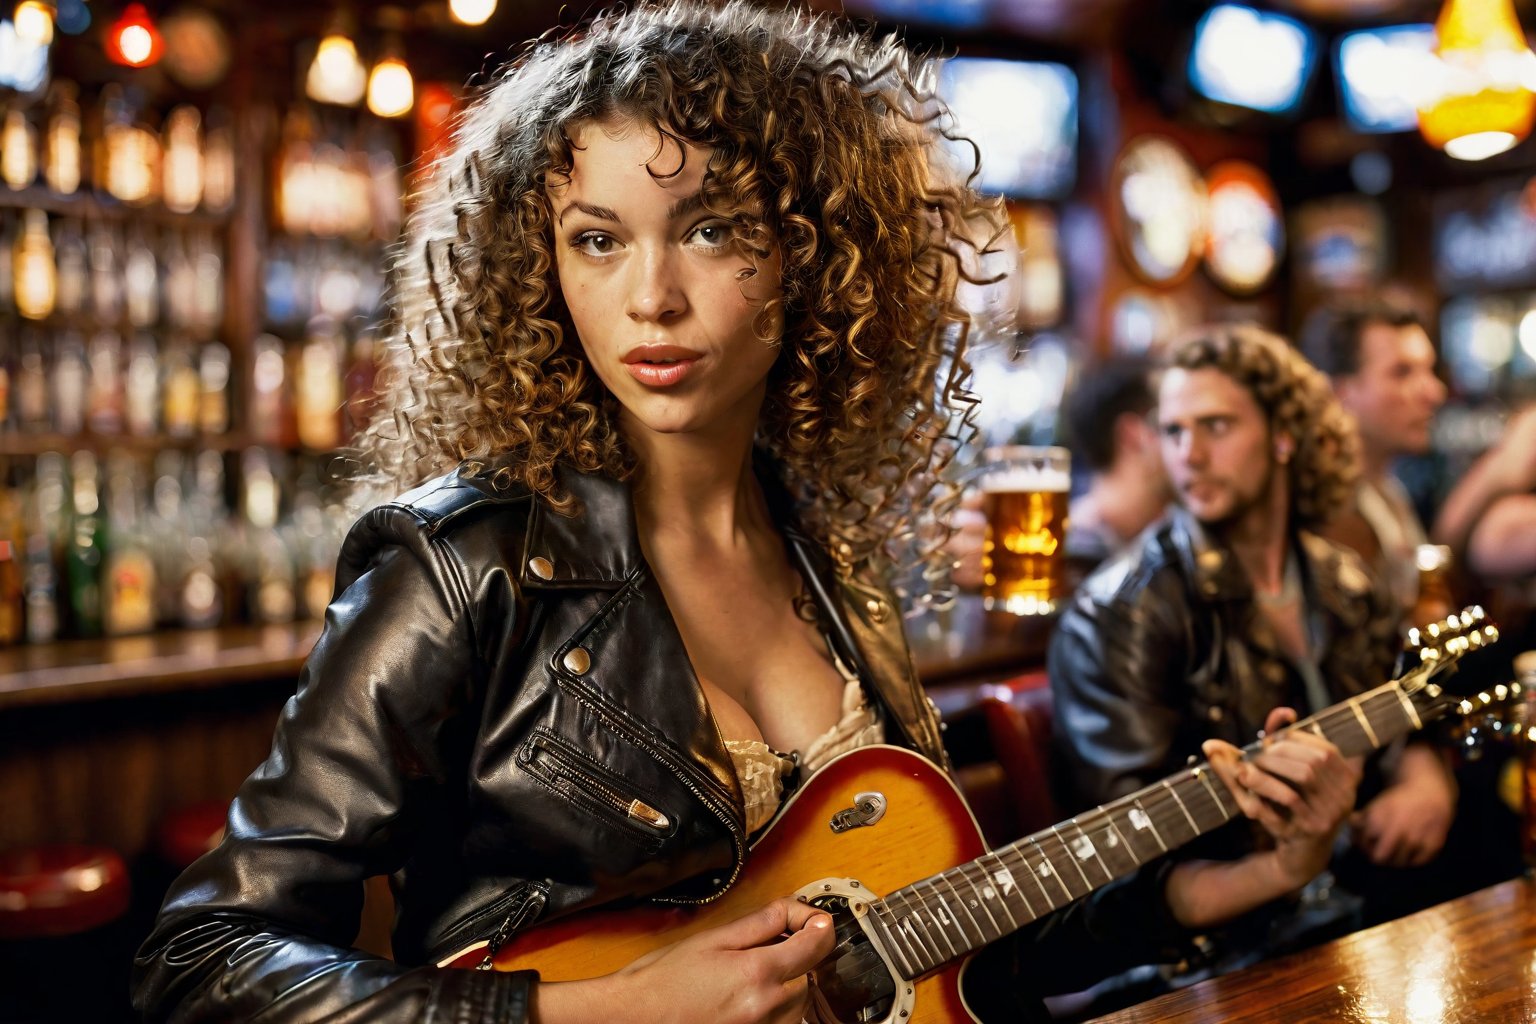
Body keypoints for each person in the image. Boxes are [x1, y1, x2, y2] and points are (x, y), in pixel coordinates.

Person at [127, 5, 1192, 1022]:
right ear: (537, 265)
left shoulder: (829, 554)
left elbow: (933, 951)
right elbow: (207, 961)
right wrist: (606, 1009)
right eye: (597, 239)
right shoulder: (462, 566)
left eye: (712, 227)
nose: (652, 295)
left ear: (812, 258)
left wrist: (1198, 892)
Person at [1048, 324, 1458, 985]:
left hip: (1363, 910)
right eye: (1175, 431)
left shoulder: (1343, 580)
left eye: (1216, 426)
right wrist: (1281, 868)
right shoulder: (1121, 610)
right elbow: (1127, 868)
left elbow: (1403, 708)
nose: (1191, 454)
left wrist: (1425, 779)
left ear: (1284, 435)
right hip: (1212, 960)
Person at [1298, 300, 1447, 617]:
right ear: (1337, 392)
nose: (1434, 391)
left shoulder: (1387, 488)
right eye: (1402, 372)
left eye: (1429, 369)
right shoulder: (1332, 510)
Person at [1059, 354, 1170, 565]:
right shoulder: (1073, 553)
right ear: (1133, 434)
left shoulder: (1168, 535)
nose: (1189, 449)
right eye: (1173, 426)